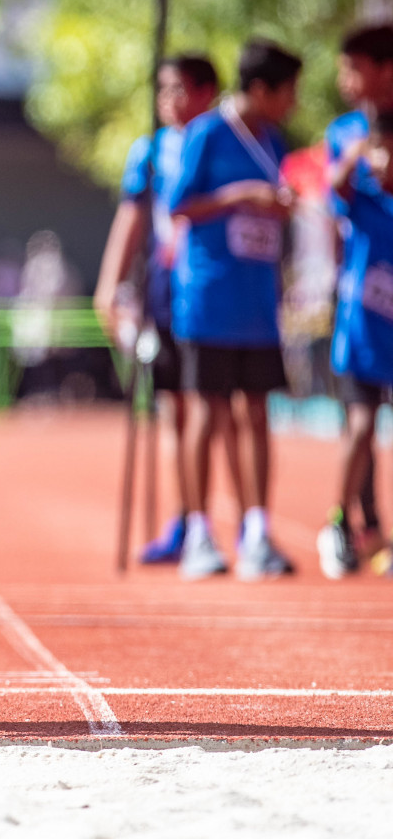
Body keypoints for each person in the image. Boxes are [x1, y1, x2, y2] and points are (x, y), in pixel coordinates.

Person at [92, 55, 235, 564]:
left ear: (206, 93)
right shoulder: (150, 151)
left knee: (221, 410)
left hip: (217, 295)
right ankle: (187, 517)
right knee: (176, 410)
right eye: (162, 90)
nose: (167, 101)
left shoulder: (227, 143)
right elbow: (132, 218)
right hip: (165, 296)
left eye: (179, 90)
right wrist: (109, 285)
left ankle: (237, 522)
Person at [168, 39, 300, 581]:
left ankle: (256, 531)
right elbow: (178, 204)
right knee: (206, 411)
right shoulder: (206, 133)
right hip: (209, 298)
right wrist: (240, 195)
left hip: (258, 302)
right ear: (262, 89)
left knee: (257, 414)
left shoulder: (275, 140)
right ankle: (198, 532)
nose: (293, 103)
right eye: (289, 92)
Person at [318, 24, 393, 576]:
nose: (345, 80)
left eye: (353, 68)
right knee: (361, 422)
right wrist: (358, 159)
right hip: (365, 304)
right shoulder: (345, 132)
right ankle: (345, 522)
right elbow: (333, 196)